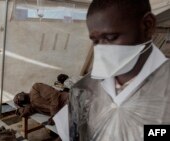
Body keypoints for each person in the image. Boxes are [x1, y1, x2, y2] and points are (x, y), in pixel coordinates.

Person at [68, 0, 170, 141]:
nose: (102, 49)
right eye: (95, 41)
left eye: (111, 37)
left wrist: (149, 132)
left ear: (147, 25)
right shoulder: (83, 90)